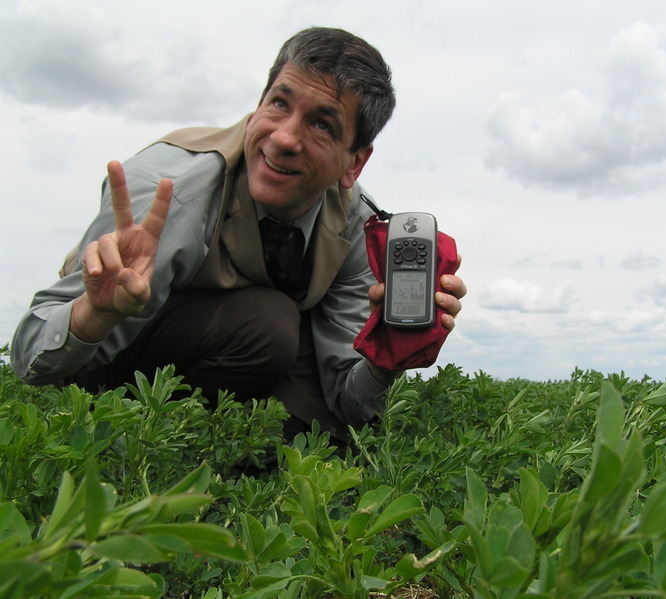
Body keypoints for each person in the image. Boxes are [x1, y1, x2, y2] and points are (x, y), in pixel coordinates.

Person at [10, 27, 466, 439]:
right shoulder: (170, 195)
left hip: (228, 355)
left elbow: (349, 396)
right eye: (280, 104)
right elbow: (29, 357)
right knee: (268, 323)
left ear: (354, 163)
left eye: (321, 124)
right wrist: (96, 312)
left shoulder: (355, 228)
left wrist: (386, 358)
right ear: (257, 107)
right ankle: (159, 437)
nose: (285, 138)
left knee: (323, 419)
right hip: (111, 356)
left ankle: (242, 442)